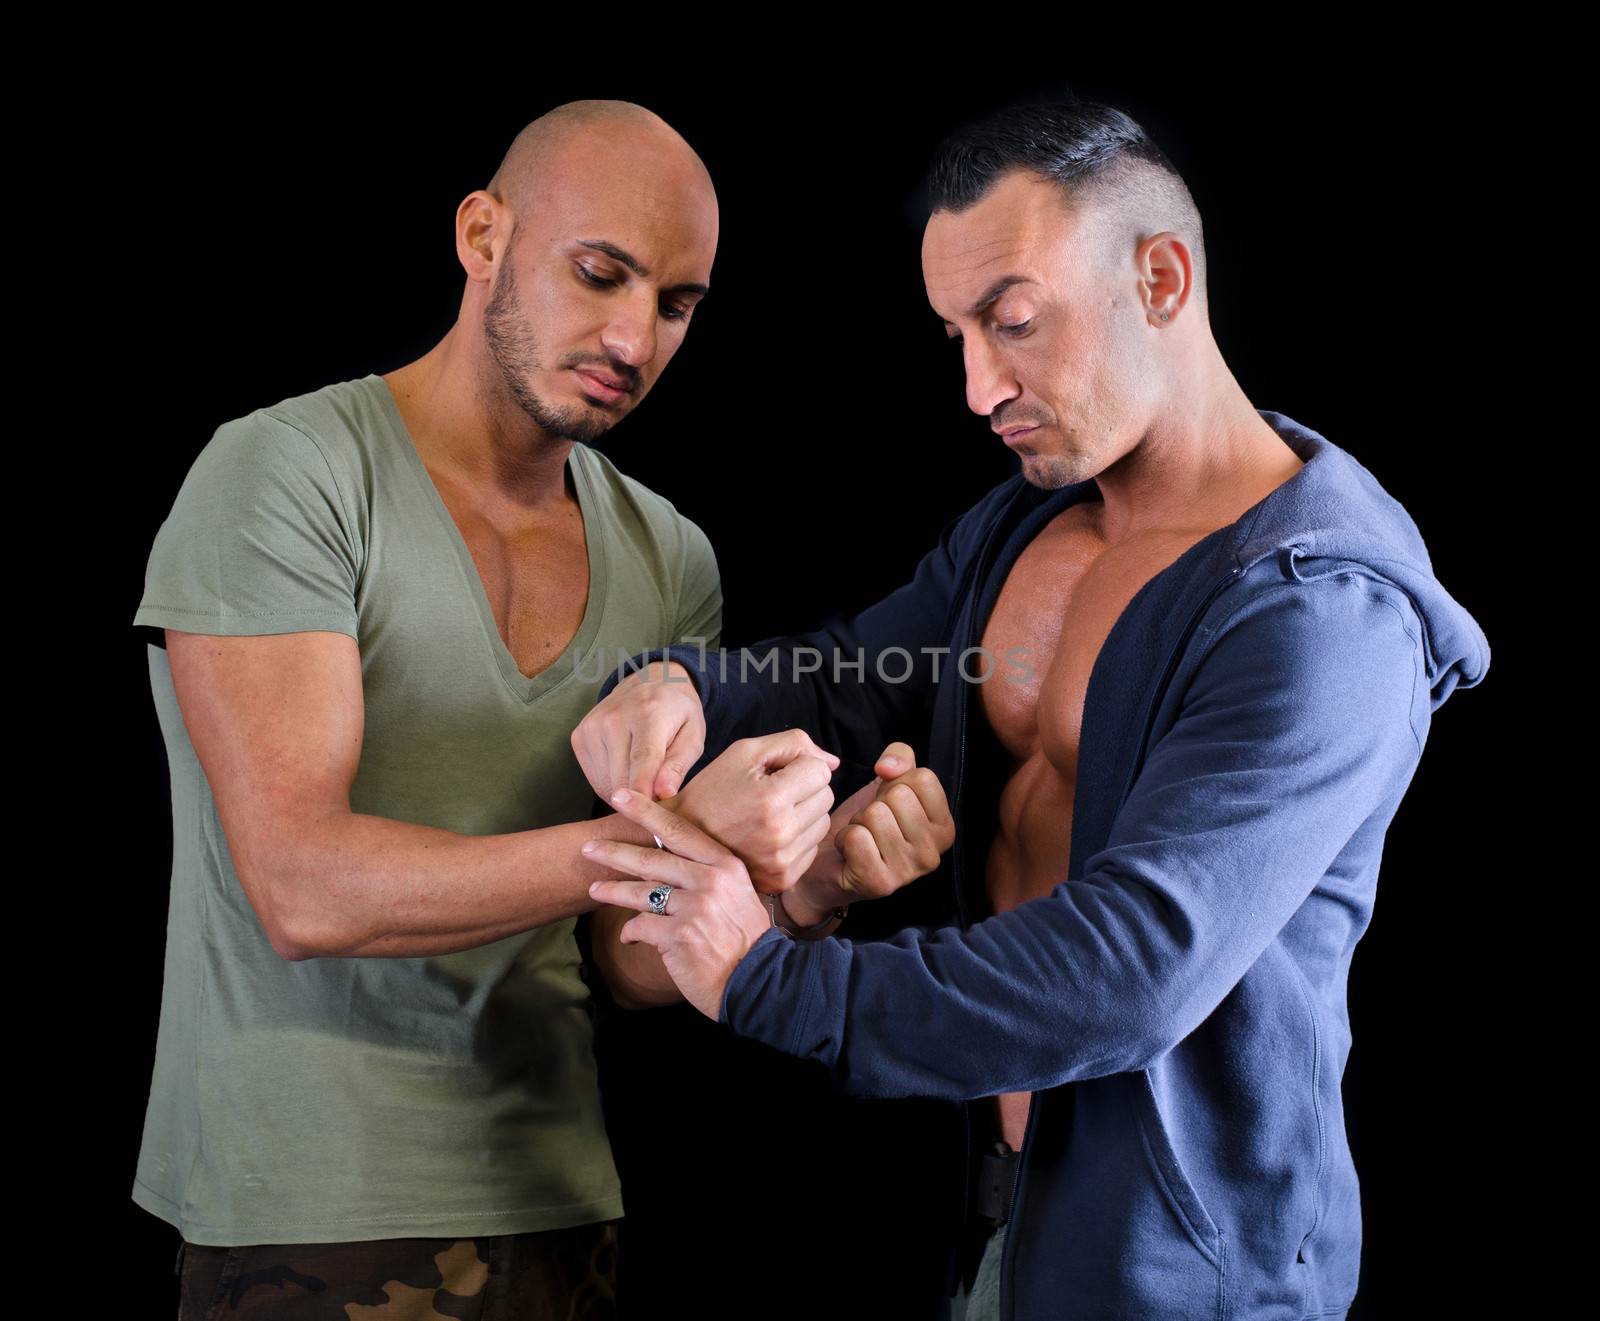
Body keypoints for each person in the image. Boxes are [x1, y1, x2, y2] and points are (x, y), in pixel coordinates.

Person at [573, 97, 1490, 1321]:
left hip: (1179, 1282)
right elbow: (860, 673)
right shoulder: (1030, 523)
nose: (975, 385)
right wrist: (682, 683)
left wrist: (763, 978)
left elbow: (1131, 966)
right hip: (992, 1216)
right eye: (955, 333)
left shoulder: (1321, 617)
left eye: (1012, 322)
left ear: (1160, 277)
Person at [129, 98, 947, 1319]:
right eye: (600, 273)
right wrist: (669, 841)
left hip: (562, 1205)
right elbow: (301, 885)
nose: (633, 336)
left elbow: (624, 953)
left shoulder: (670, 553)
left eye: (675, 304)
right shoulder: (287, 473)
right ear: (481, 235)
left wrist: (804, 881)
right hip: (310, 1206)